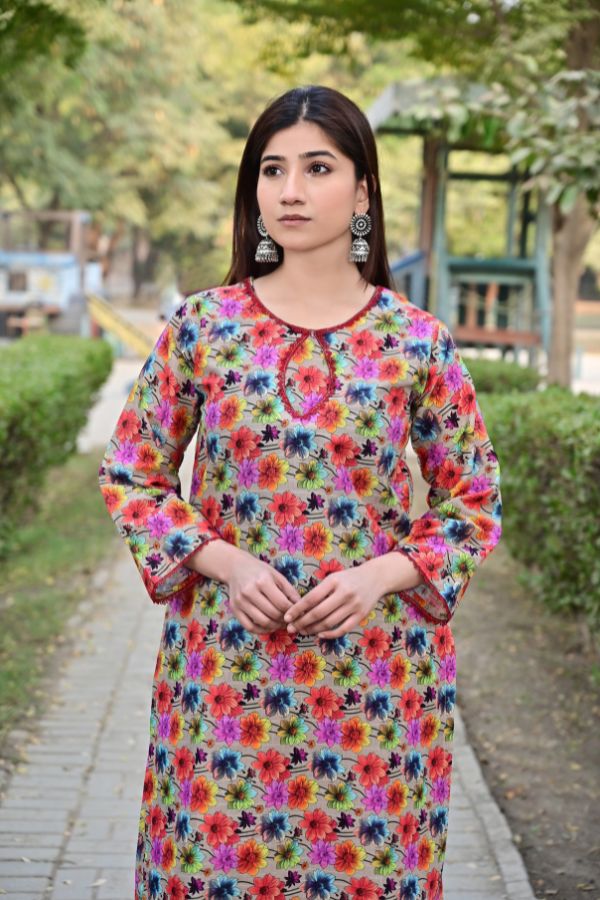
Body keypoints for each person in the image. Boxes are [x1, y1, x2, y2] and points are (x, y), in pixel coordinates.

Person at [98, 84, 502, 900]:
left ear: (362, 192)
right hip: (223, 674)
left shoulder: (414, 341)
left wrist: (381, 575)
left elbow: (472, 501)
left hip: (379, 688)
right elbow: (133, 474)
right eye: (272, 169)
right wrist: (223, 563)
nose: (290, 190)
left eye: (317, 168)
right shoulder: (202, 327)